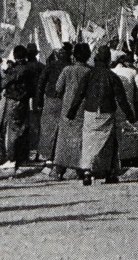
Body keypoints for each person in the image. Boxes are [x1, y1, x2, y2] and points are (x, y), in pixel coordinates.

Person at [66, 46, 136, 185]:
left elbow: (79, 95)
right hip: (107, 113)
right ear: (109, 60)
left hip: (90, 112)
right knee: (108, 144)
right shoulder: (112, 77)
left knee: (89, 143)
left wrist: (71, 112)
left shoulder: (89, 75)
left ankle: (87, 171)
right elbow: (122, 99)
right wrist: (131, 117)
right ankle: (109, 173)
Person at [52, 43, 92, 179]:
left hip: (67, 109)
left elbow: (58, 88)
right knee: (81, 139)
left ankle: (59, 170)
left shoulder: (67, 70)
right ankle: (81, 169)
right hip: (83, 109)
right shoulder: (89, 71)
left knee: (64, 139)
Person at [0, 45, 40, 170]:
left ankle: (12, 158)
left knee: (11, 130)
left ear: (15, 55)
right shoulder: (29, 68)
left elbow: (3, 83)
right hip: (24, 101)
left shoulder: (16, 69)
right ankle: (23, 156)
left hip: (13, 100)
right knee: (23, 128)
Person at [35, 43, 71, 165]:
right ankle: (59, 156)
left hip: (51, 99)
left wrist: (39, 101)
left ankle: (46, 156)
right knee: (62, 129)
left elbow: (40, 83)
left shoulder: (51, 66)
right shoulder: (70, 67)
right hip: (65, 101)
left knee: (47, 128)